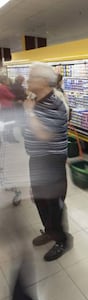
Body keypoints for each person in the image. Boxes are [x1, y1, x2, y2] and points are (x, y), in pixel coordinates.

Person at [24, 63, 70, 262]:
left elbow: (43, 134)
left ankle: (62, 240)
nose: (28, 80)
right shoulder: (36, 102)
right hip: (37, 160)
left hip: (52, 162)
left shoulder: (56, 104)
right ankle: (50, 231)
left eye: (32, 77)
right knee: (40, 199)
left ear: (43, 81)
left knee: (54, 203)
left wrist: (29, 113)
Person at [0, 75, 18, 143]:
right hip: (7, 107)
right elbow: (11, 96)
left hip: (3, 106)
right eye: (7, 80)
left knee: (5, 122)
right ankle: (10, 139)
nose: (8, 81)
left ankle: (6, 138)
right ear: (4, 80)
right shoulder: (3, 87)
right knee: (10, 123)